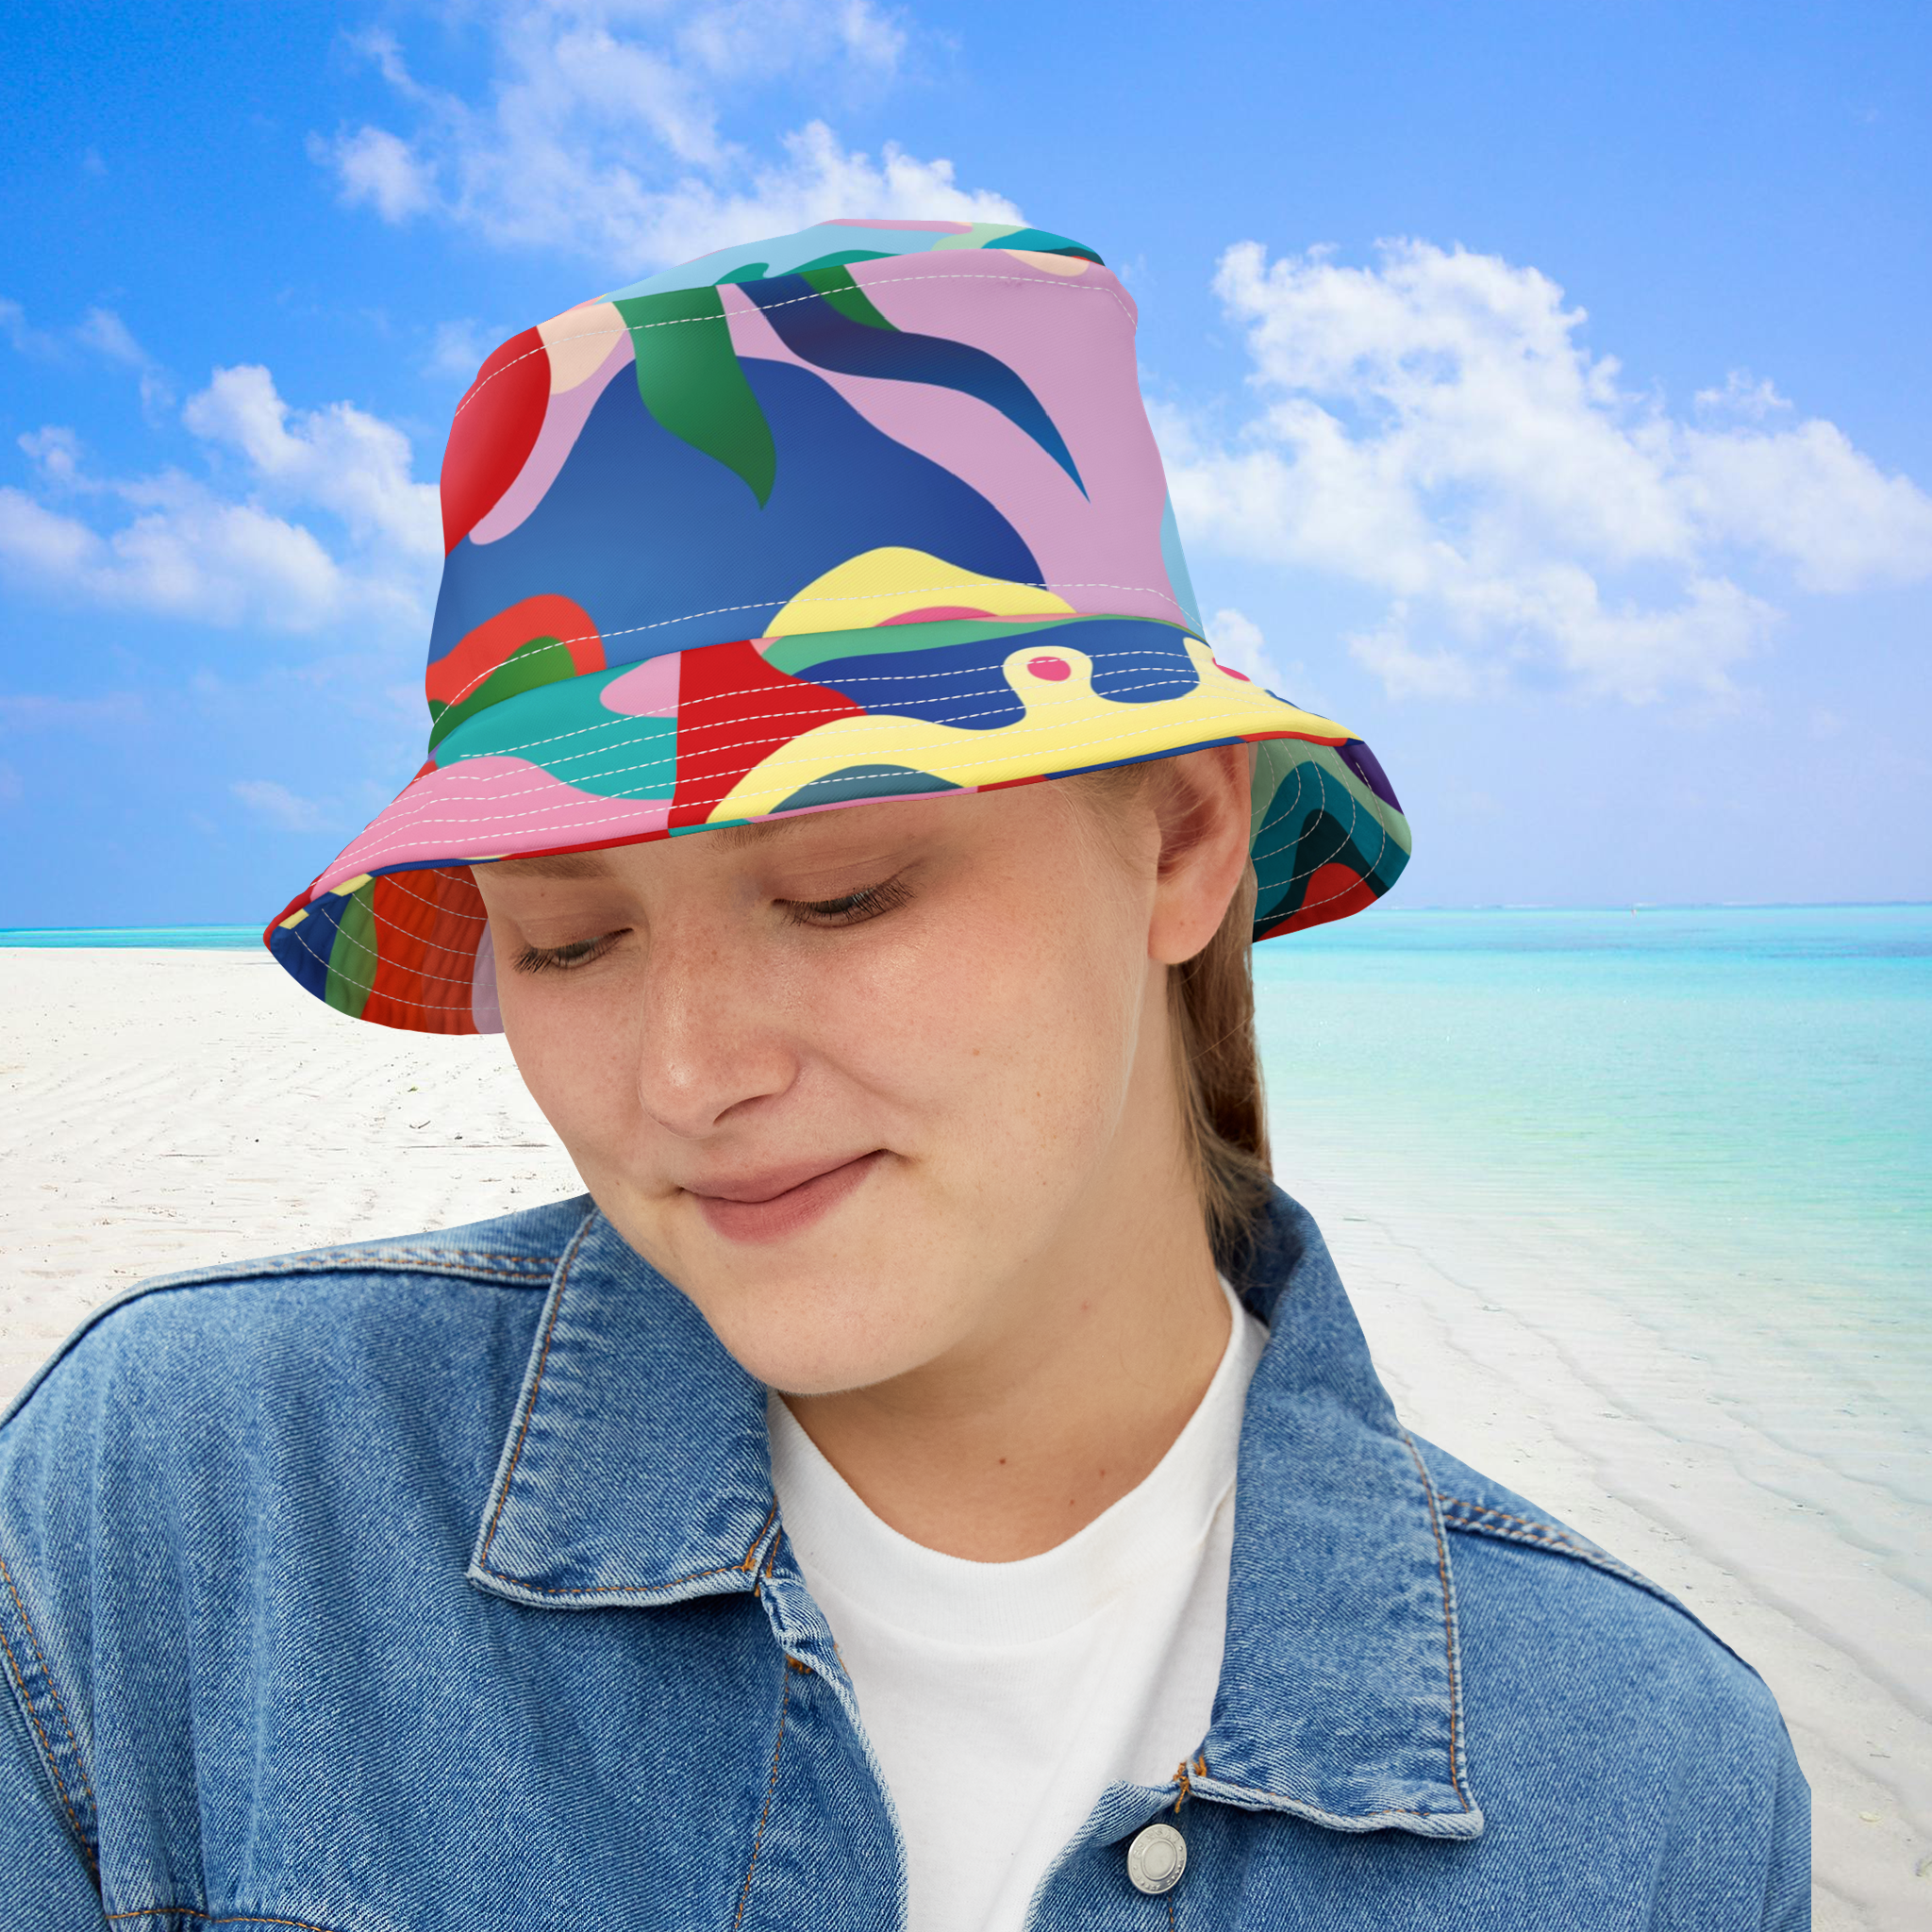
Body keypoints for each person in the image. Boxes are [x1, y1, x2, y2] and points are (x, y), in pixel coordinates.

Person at [0, 219, 1807, 1929]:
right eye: (569, 939)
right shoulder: (183, 1513)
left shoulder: (1646, 1783)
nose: (690, 1075)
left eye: (841, 890)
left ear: (1180, 841)